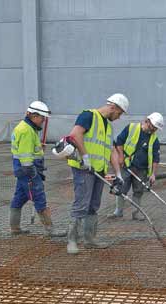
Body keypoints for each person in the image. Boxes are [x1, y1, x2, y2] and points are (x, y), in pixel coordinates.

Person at [64, 93, 129, 254]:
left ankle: (90, 239)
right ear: (113, 107)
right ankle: (72, 240)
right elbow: (75, 134)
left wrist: (118, 173)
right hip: (83, 169)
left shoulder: (108, 126)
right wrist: (84, 155)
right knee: (81, 204)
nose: (119, 117)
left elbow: (112, 150)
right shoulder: (88, 116)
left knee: (93, 205)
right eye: (119, 113)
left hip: (98, 170)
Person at [9, 100, 65, 237]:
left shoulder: (24, 128)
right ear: (34, 116)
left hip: (22, 170)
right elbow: (26, 157)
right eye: (42, 118)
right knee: (39, 197)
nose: (43, 121)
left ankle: (14, 228)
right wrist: (33, 174)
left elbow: (27, 150)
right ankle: (50, 229)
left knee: (19, 197)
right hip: (28, 171)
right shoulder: (27, 131)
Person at [107, 112, 163, 220]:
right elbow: (119, 141)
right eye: (153, 127)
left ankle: (135, 213)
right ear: (147, 121)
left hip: (142, 170)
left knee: (138, 191)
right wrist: (121, 156)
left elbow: (156, 158)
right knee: (121, 188)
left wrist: (153, 174)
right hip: (126, 166)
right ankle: (118, 212)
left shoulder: (154, 140)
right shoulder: (131, 128)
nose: (153, 130)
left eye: (156, 129)